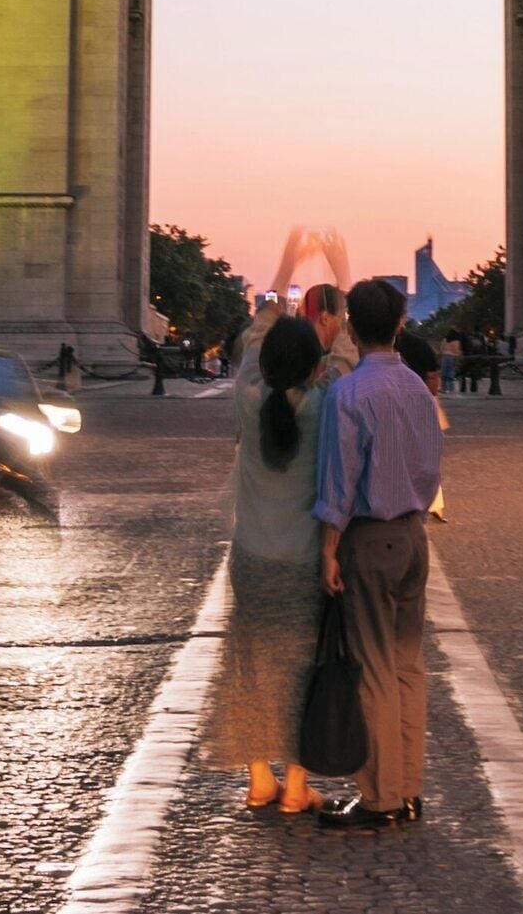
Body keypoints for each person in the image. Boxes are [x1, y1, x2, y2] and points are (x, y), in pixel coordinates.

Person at [312, 278, 442, 829]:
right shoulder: (418, 389)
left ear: (349, 327)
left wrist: (329, 549)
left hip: (368, 537)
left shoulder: (348, 393)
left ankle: (381, 797)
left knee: (373, 671)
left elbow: (339, 481)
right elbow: (432, 469)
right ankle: (409, 789)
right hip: (414, 536)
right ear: (400, 325)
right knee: (409, 666)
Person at [204, 314, 327, 816]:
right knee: (304, 673)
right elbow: (340, 359)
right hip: (306, 562)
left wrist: (273, 297)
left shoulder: (248, 400)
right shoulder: (324, 406)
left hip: (252, 559)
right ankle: (297, 787)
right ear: (313, 368)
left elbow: (250, 345)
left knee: (249, 667)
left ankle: (259, 780)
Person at [304, 284, 358, 391]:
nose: (304, 324)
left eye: (307, 317)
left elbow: (320, 398)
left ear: (324, 318)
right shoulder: (340, 350)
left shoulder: (343, 355)